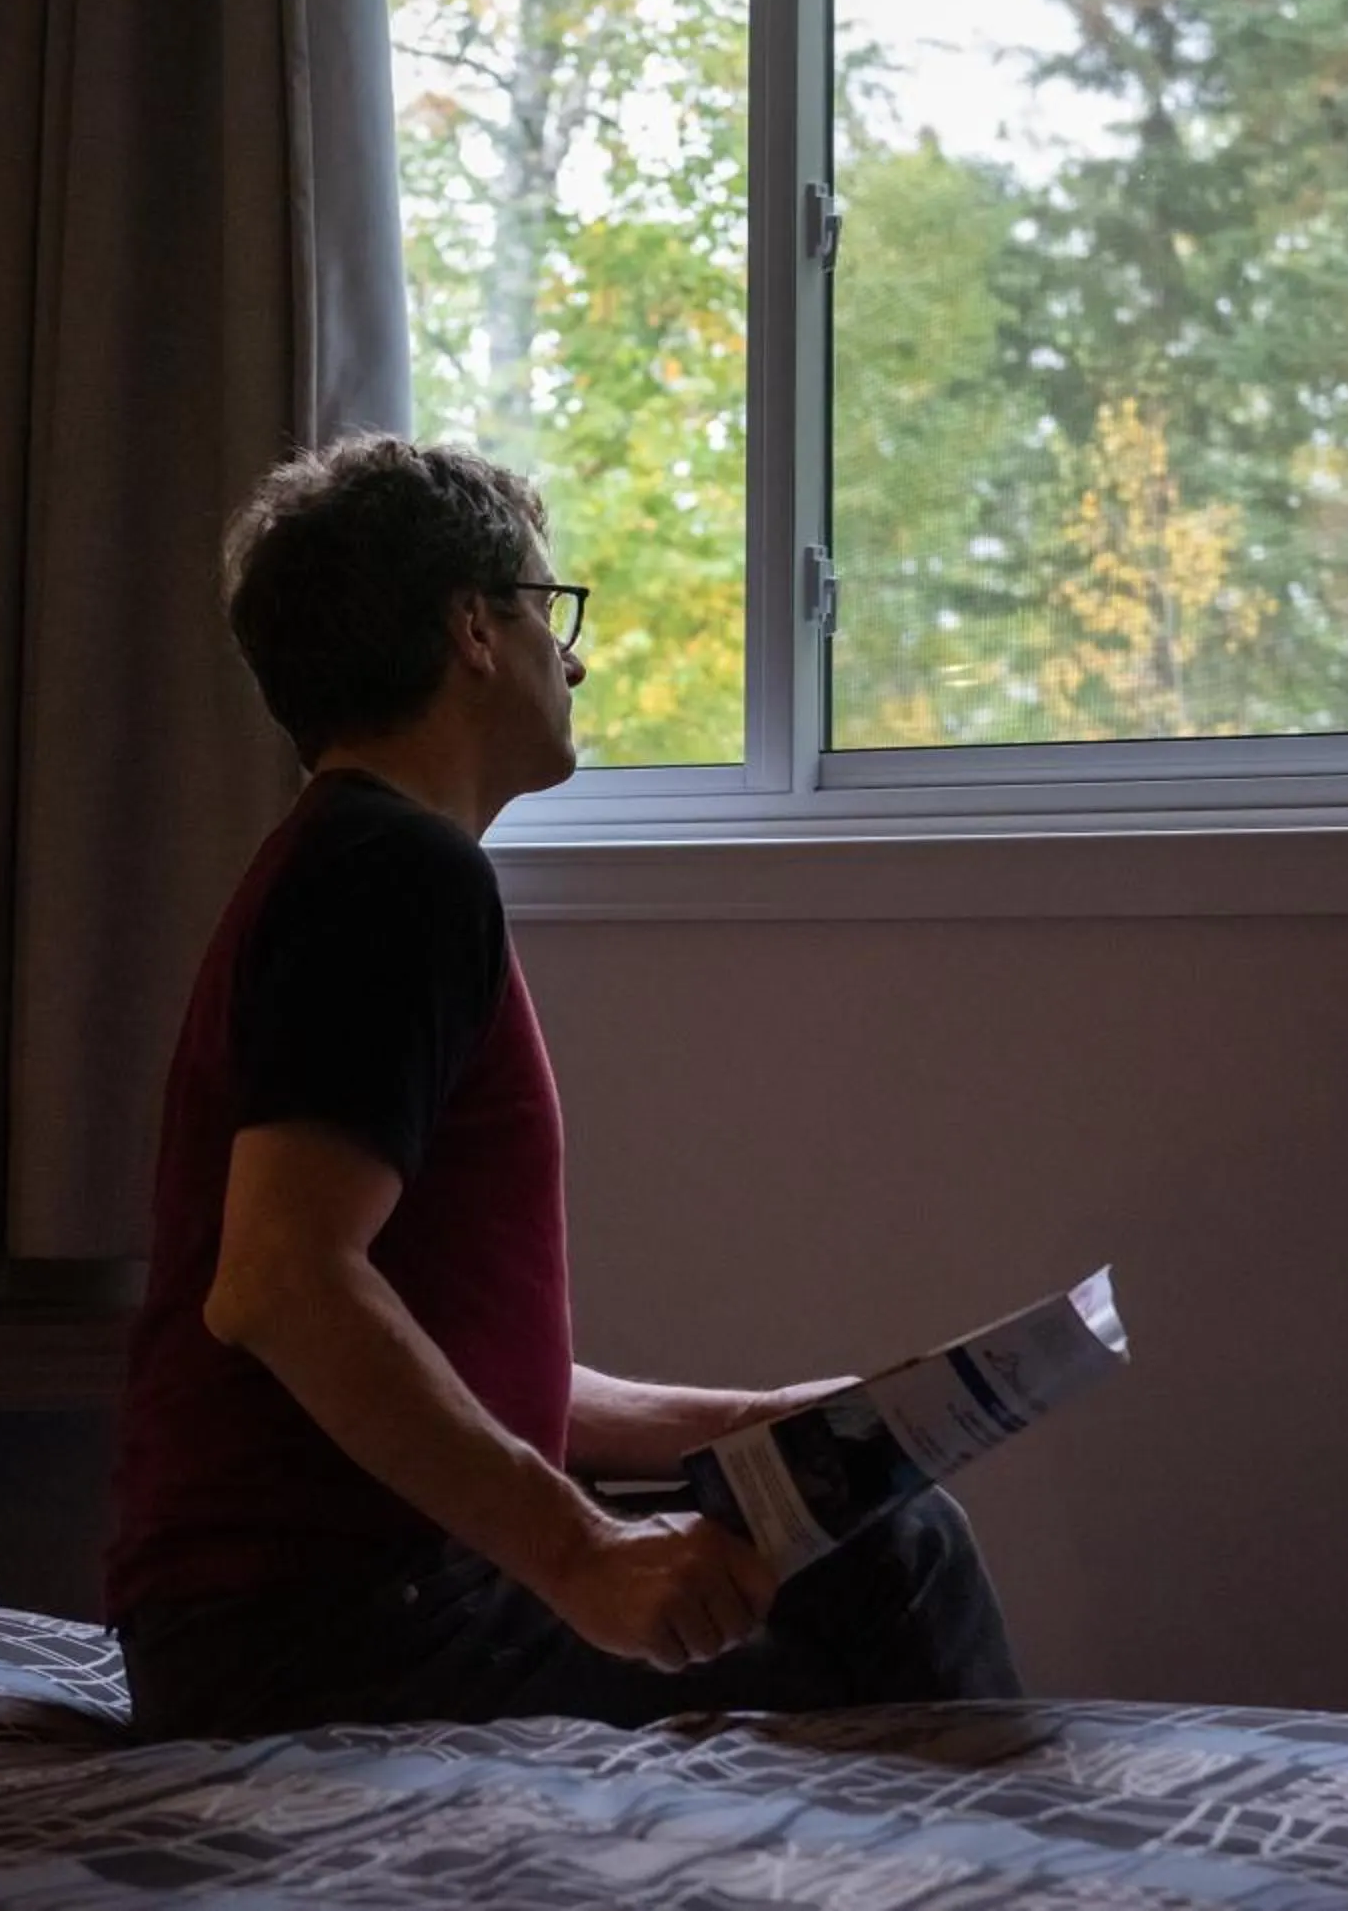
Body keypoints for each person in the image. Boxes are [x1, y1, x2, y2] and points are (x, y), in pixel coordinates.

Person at [102, 434, 1020, 1740]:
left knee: (860, 1520)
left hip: (295, 1620)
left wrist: (768, 1422)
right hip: (319, 1633)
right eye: (550, 608)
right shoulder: (396, 872)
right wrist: (582, 1553)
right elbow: (282, 1284)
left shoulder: (348, 865)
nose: (572, 656)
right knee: (893, 1558)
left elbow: (442, 1362)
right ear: (473, 629)